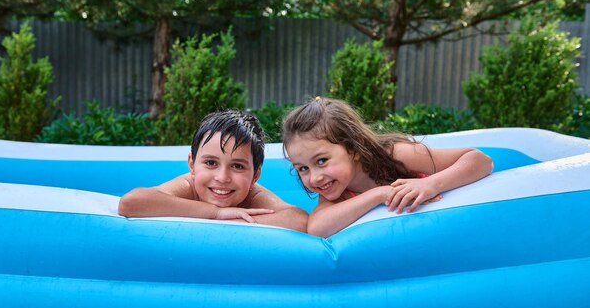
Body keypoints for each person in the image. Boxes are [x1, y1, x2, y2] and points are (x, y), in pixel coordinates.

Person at [282, 97, 493, 237]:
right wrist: (380, 194)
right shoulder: (336, 191)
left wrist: (431, 184)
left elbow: (480, 160)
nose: (315, 178)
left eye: (321, 161)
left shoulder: (396, 155)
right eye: (302, 169)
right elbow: (317, 228)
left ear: (354, 147)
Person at [119, 109, 308, 232]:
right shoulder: (188, 186)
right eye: (210, 163)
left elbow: (299, 220)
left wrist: (230, 224)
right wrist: (215, 213)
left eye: (237, 166)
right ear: (192, 165)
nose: (222, 177)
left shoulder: (252, 196)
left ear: (255, 176)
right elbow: (131, 203)